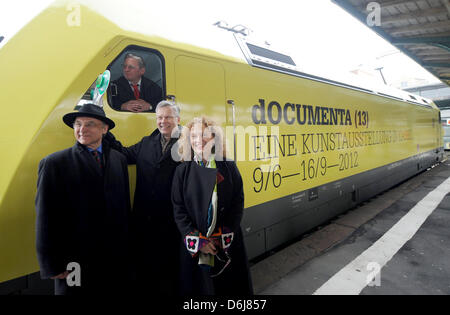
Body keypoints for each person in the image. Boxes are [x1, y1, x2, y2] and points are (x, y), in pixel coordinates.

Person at [35, 104, 131, 295]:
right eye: (78, 124)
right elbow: (45, 217)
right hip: (73, 261)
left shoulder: (118, 160)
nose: (82, 129)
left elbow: (124, 209)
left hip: (112, 258)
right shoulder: (54, 163)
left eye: (90, 124)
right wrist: (51, 265)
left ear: (104, 129)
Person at [105, 100, 182, 295]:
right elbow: (122, 153)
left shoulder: (190, 144)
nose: (163, 121)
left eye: (168, 117)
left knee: (172, 274)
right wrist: (104, 131)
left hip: (174, 223)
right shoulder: (146, 142)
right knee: (147, 273)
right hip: (144, 221)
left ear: (178, 119)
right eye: (159, 117)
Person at [171, 117, 253, 295]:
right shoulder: (182, 171)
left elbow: (237, 203)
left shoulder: (229, 167)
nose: (198, 140)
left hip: (223, 243)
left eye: (204, 135)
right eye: (193, 136)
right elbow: (179, 210)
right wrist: (199, 242)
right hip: (196, 246)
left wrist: (219, 237)